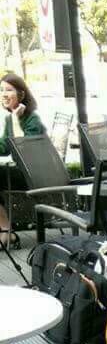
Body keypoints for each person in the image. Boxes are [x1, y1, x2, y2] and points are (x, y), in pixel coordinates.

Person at [0, 73, 46, 247]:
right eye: (1, 90)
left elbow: (23, 150)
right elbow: (4, 147)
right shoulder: (10, 119)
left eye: (9, 90)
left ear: (21, 94)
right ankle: (6, 231)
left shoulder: (32, 118)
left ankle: (6, 231)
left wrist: (14, 119)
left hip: (35, 175)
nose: (4, 94)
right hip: (23, 172)